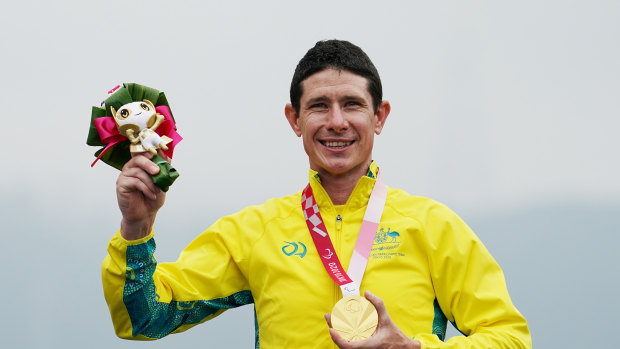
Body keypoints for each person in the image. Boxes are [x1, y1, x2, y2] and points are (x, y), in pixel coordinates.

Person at [102, 40, 532, 348]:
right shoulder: (254, 231)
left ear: (379, 116)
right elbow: (146, 319)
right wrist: (137, 228)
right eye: (319, 106)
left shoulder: (433, 226)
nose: (337, 121)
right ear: (295, 119)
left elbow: (511, 339)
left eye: (353, 104)